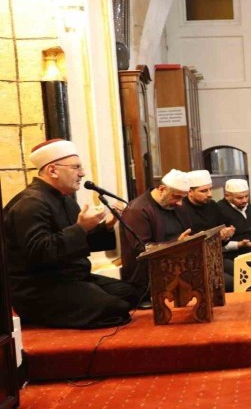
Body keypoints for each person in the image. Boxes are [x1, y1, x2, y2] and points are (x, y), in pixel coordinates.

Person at [5, 139, 141, 329]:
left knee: (131, 293)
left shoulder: (66, 200)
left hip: (72, 278)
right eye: (76, 167)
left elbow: (77, 243)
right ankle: (37, 316)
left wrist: (106, 226)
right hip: (41, 287)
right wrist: (81, 228)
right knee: (114, 308)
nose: (82, 173)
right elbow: (40, 252)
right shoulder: (29, 204)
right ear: (53, 170)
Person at [120, 169, 193, 300]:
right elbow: (143, 248)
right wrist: (177, 244)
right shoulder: (137, 210)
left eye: (183, 198)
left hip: (178, 268)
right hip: (148, 279)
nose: (180, 203)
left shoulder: (177, 207)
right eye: (176, 197)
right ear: (162, 189)